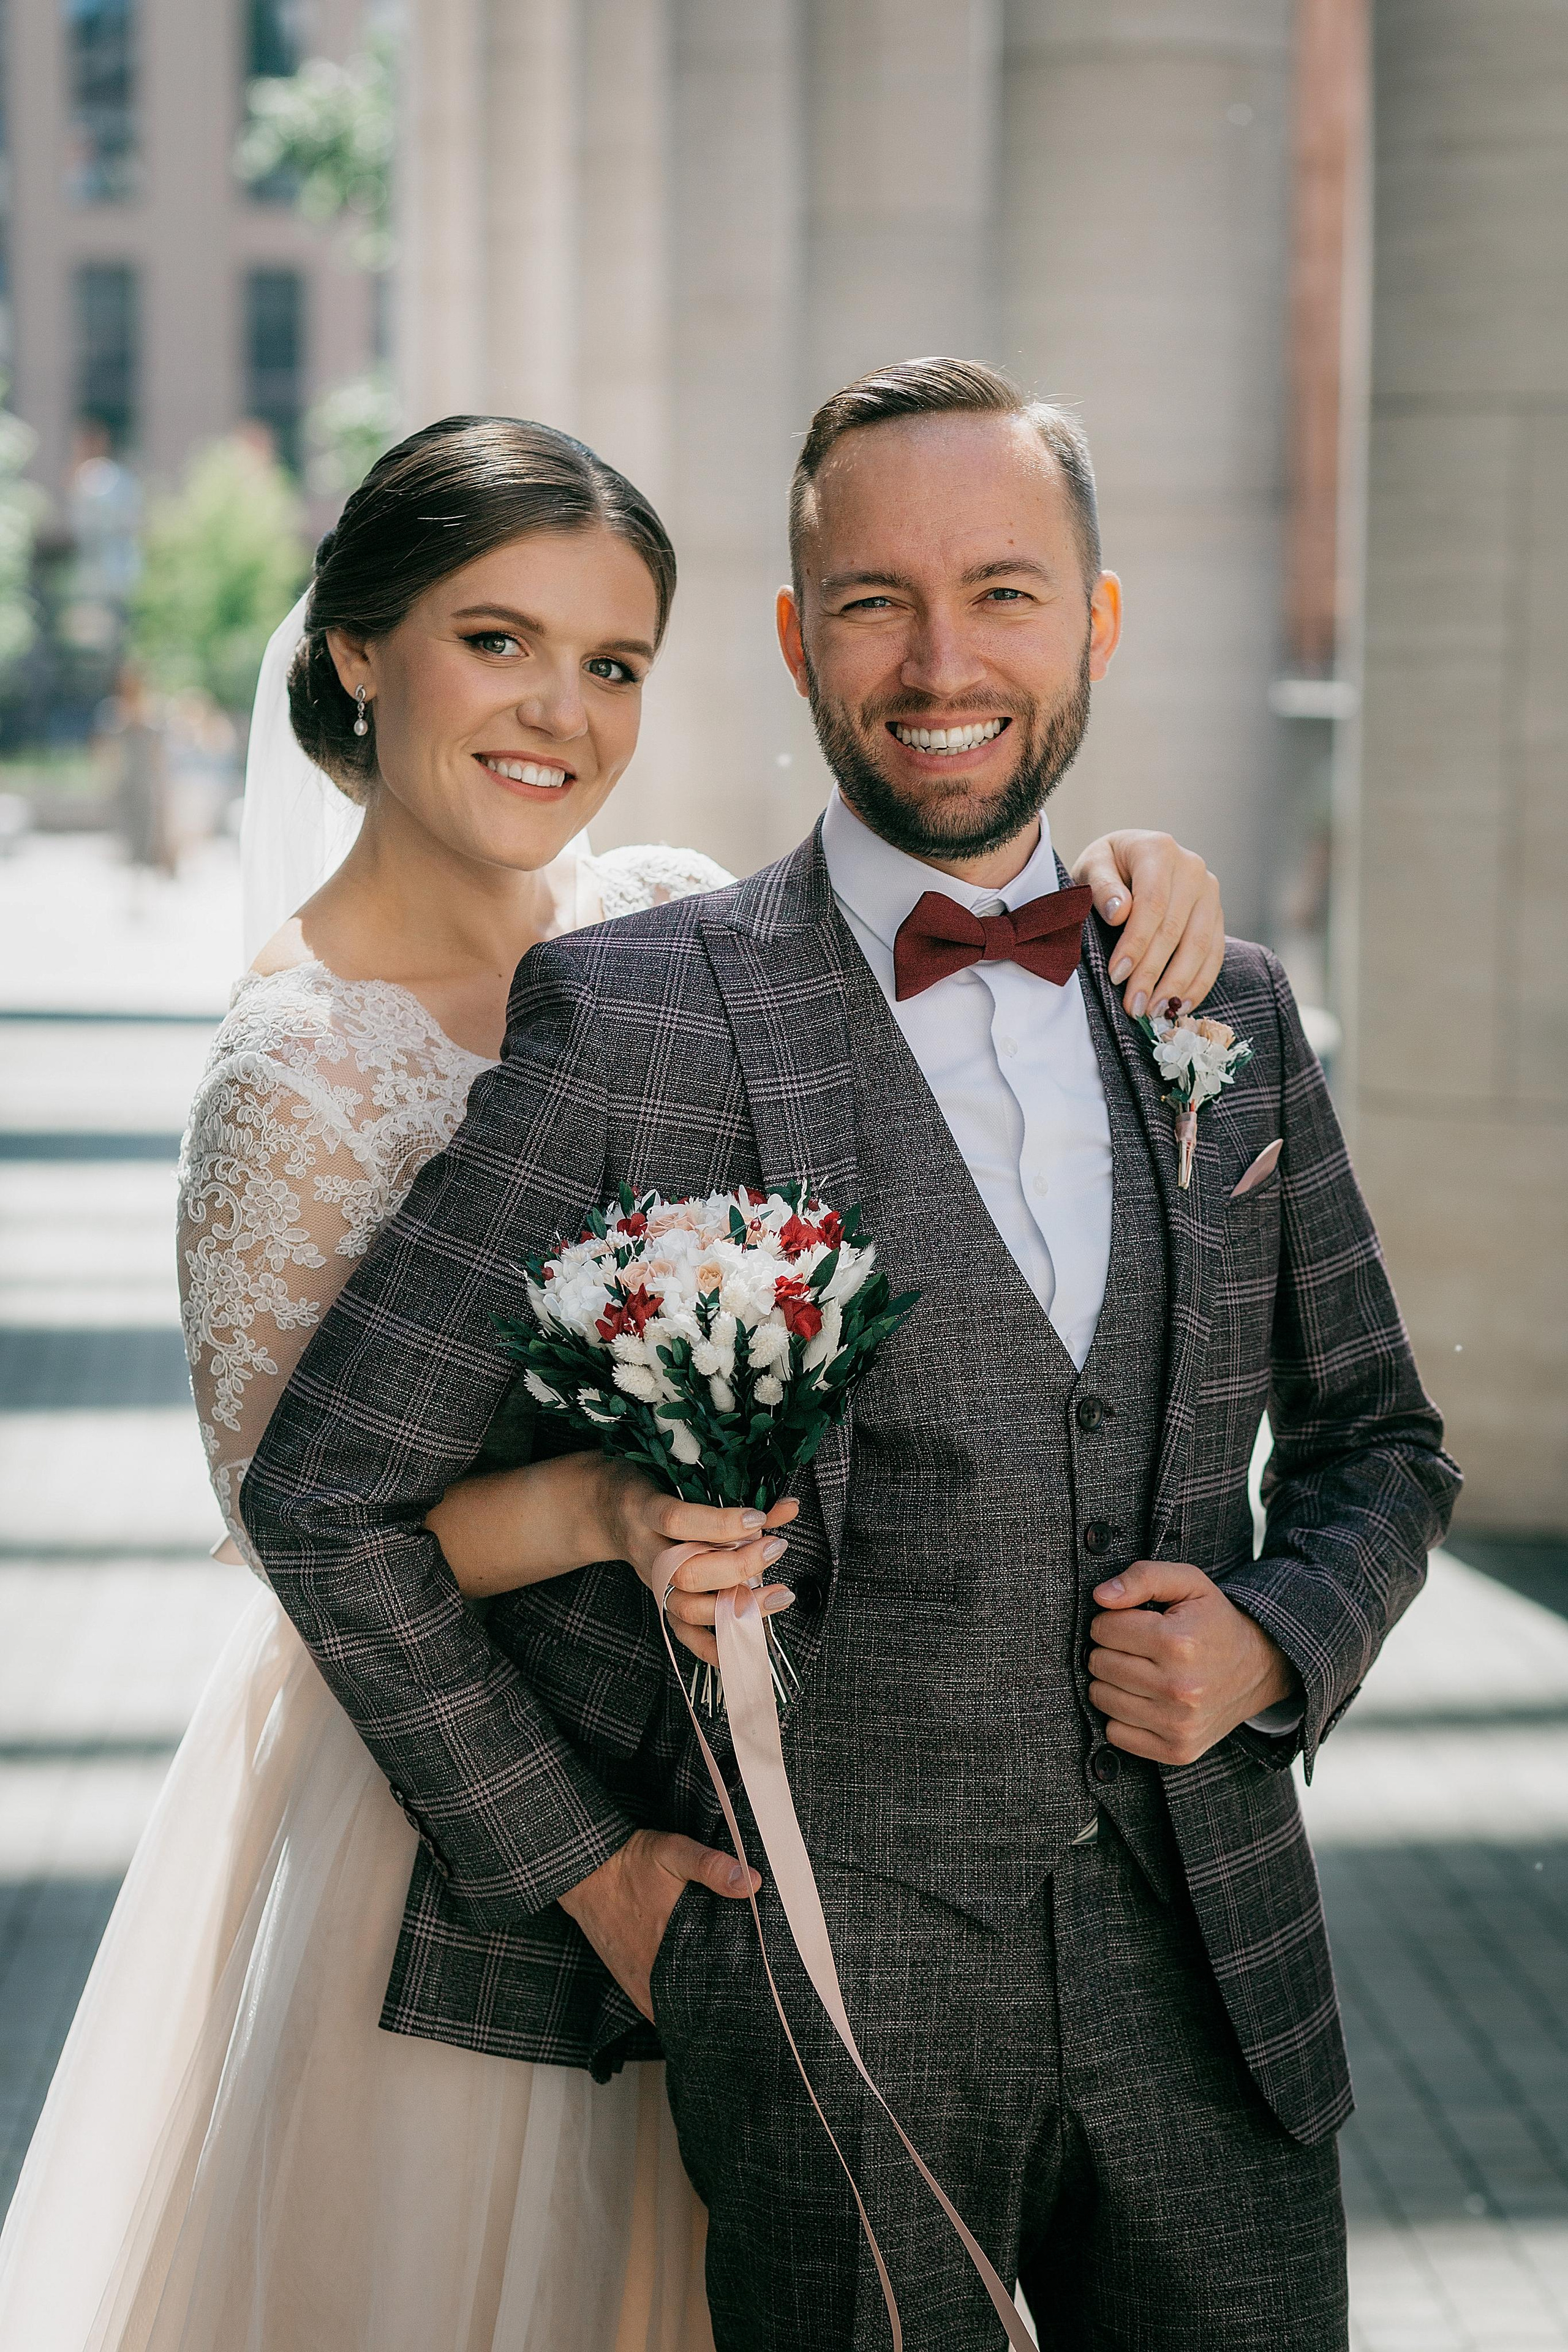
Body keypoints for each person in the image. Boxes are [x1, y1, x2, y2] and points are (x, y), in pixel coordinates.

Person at [240, 364, 1461, 2350]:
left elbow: (1383, 1448)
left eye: (1003, 590)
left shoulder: (1216, 999)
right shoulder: (637, 1013)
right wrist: (588, 1875)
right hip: (822, 2011)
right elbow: (327, 1494)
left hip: (1222, 1998)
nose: (940, 657)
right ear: (802, 643)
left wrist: (1278, 1634)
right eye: (875, 602)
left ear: (1100, 621)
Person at [0, 410, 1225, 2352]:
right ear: (352, 651)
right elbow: (290, 1543)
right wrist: (593, 1520)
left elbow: (933, 953)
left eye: (614, 663)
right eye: (497, 641)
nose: (556, 712)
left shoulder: (660, 910)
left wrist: (1133, 879)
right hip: (462, 1821)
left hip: (784, 1798)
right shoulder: (296, 1081)